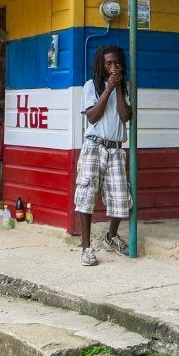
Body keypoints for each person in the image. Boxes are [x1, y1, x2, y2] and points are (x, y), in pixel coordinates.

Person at [74, 45, 133, 266]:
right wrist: (108, 89)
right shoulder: (92, 86)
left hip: (116, 148)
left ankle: (112, 236)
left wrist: (117, 89)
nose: (114, 67)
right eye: (109, 63)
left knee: (121, 198)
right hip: (94, 146)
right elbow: (92, 117)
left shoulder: (125, 87)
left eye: (117, 63)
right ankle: (86, 247)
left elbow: (126, 116)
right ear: (101, 65)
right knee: (86, 196)